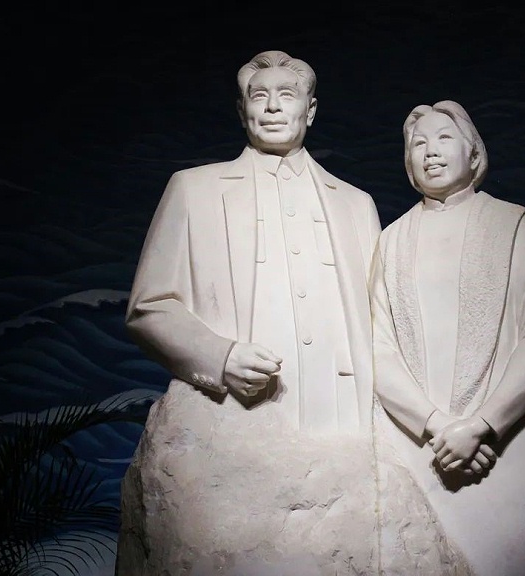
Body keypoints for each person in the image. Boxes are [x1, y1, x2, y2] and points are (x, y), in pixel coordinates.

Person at [116, 50, 383, 575]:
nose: (273, 107)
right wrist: (220, 357)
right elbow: (149, 307)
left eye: (287, 96)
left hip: (344, 435)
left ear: (310, 110)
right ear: (243, 112)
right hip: (236, 434)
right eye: (259, 97)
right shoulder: (194, 189)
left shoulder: (356, 204)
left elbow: (383, 326)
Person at [370, 100, 525, 575]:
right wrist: (436, 424)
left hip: (505, 442)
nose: (430, 152)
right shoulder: (390, 240)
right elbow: (377, 348)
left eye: (444, 138)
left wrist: (483, 423)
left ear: (473, 152)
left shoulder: (514, 224)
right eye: (418, 143)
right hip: (422, 444)